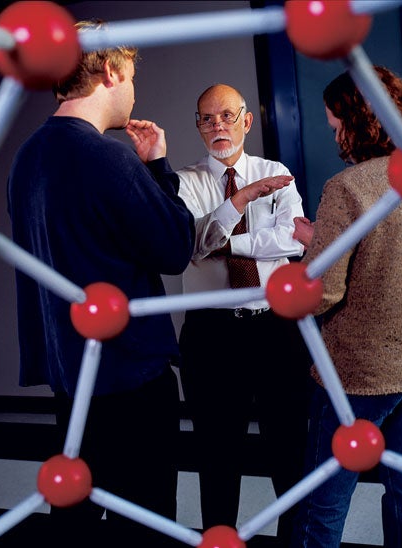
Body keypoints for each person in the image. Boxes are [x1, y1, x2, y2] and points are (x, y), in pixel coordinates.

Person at [7, 20, 195, 547]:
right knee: (146, 521)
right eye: (131, 75)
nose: (134, 89)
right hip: (129, 375)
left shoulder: (27, 159)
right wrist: (158, 167)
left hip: (70, 377)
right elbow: (174, 249)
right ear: (110, 71)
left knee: (76, 520)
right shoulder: (108, 156)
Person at [291, 66, 402, 547]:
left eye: (335, 125)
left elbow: (323, 292)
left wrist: (311, 247)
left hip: (359, 374)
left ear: (357, 120)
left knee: (323, 498)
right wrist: (324, 240)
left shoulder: (347, 188)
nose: (336, 136)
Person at [176, 83, 311, 545]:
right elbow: (192, 246)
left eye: (228, 116)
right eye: (207, 118)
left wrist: (229, 243)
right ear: (197, 126)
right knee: (217, 456)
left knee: (290, 451)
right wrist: (243, 199)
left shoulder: (276, 170)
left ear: (247, 121)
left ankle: (295, 540)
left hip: (275, 329)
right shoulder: (183, 182)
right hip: (212, 335)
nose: (218, 126)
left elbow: (293, 239)